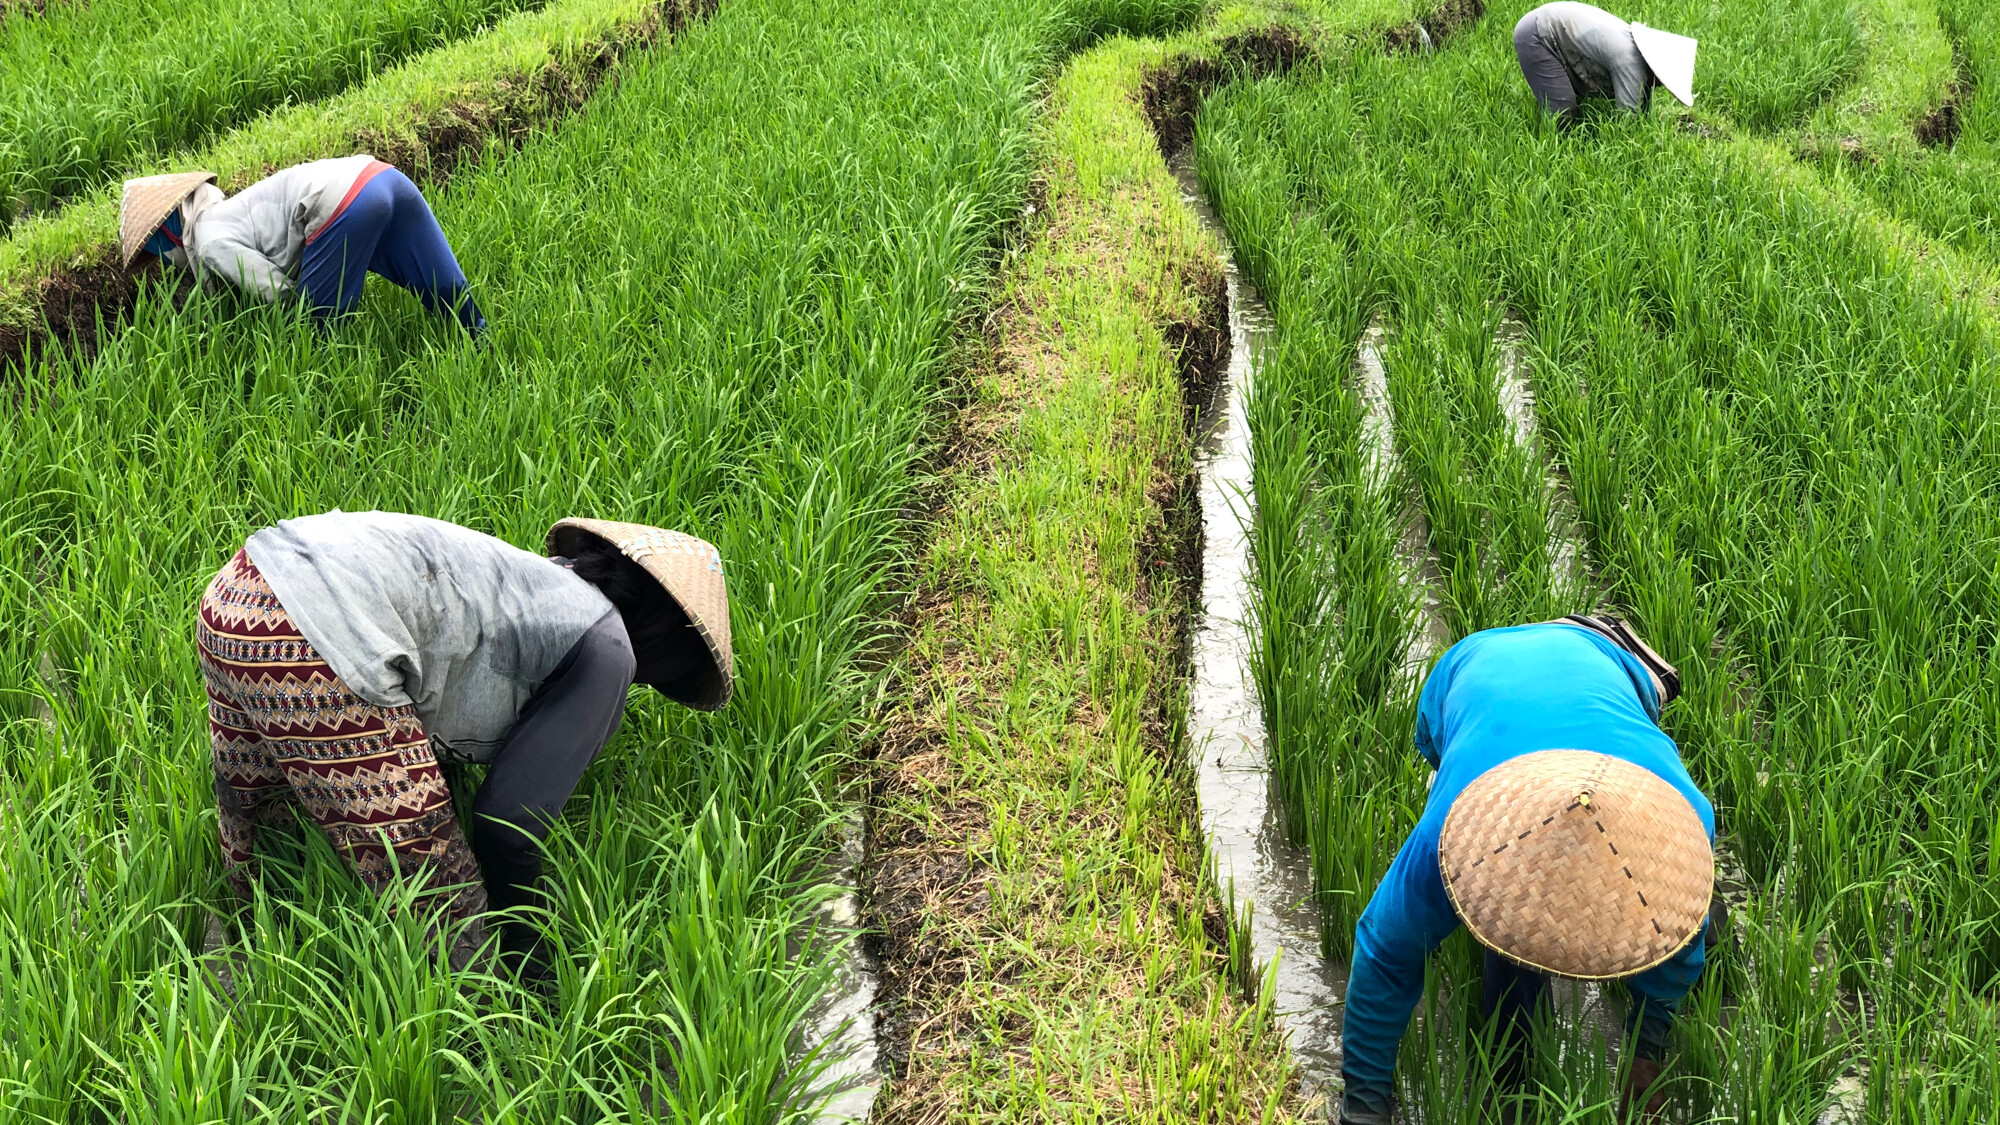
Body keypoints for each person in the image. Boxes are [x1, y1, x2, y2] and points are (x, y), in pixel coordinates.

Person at [195, 511, 732, 975]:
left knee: (262, 811)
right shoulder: (609, 646)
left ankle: (241, 958)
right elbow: (508, 823)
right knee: (434, 875)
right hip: (310, 629)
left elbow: (434, 701)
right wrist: (532, 960)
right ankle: (479, 1038)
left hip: (238, 592)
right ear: (670, 636)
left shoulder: (537, 584)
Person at [1337, 616, 1716, 1123]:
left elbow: (1672, 934)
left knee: (1690, 924)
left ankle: (1713, 937)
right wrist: (1364, 1106)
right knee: (1514, 954)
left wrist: (1645, 1062)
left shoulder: (1684, 821)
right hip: (1469, 670)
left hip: (1601, 661)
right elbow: (1384, 949)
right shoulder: (1449, 833)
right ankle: (1509, 1059)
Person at [119, 156, 485, 336]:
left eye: (160, 256)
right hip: (382, 175)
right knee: (446, 289)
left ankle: (340, 417)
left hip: (343, 203)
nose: (168, 263)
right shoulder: (229, 211)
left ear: (169, 235)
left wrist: (276, 334)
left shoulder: (209, 239)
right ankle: (484, 347)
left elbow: (276, 291)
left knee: (318, 331)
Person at [1513, 3, 1697, 123]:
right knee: (1563, 113)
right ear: (1657, 71)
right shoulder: (1629, 61)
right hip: (1536, 34)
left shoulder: (1635, 55)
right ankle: (1559, 155)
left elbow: (1641, 101)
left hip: (1552, 26)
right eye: (1664, 82)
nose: (1662, 86)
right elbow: (1627, 121)